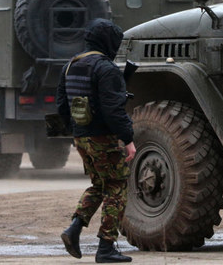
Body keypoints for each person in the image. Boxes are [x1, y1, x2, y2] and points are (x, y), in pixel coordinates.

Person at [56, 18, 136, 263]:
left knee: (99, 185)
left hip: (82, 137)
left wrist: (78, 131)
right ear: (107, 41)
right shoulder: (106, 68)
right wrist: (128, 139)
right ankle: (106, 248)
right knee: (117, 187)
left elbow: (61, 106)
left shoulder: (70, 65)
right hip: (103, 138)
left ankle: (74, 228)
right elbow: (114, 112)